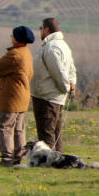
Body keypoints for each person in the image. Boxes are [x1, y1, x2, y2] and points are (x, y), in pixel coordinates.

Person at [30, 18, 77, 152]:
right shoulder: (63, 45)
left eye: (41, 28)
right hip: (53, 96)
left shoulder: (52, 47)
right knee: (55, 132)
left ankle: (48, 163)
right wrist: (72, 82)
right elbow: (72, 68)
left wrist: (65, 88)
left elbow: (59, 71)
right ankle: (58, 159)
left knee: (47, 134)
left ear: (46, 30)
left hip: (48, 97)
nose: (40, 31)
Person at [0, 26, 35, 167]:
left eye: (13, 36)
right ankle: (18, 156)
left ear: (17, 39)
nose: (11, 37)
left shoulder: (15, 54)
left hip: (12, 96)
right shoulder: (26, 52)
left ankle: (7, 158)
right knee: (18, 128)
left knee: (4, 126)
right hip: (22, 96)